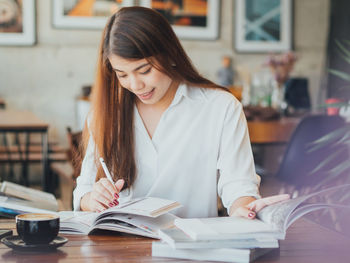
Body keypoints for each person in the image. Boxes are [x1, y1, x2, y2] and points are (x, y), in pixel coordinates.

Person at [73, 6, 288, 219]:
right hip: (121, 248)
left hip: (193, 248)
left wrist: (243, 209)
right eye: (122, 75)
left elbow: (239, 186)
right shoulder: (106, 114)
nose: (135, 84)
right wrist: (92, 199)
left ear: (170, 54)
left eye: (145, 70)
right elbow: (82, 191)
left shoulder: (221, 107)